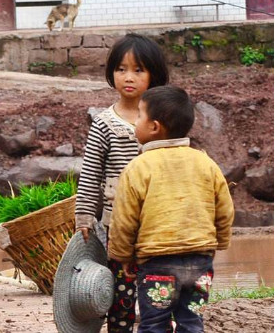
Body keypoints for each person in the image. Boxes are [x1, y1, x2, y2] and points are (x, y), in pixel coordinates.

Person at [108, 85, 234, 332]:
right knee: (191, 323)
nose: (135, 121)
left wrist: (121, 256)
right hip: (200, 261)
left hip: (157, 263)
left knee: (154, 324)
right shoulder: (205, 163)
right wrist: (219, 242)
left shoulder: (138, 168)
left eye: (140, 115)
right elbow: (225, 209)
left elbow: (124, 219)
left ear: (154, 127)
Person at [74, 33, 169, 332]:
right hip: (118, 227)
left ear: (154, 74)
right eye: (121, 69)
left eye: (138, 70)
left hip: (158, 223)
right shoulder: (104, 122)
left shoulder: (162, 121)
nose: (128, 77)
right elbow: (91, 173)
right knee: (121, 294)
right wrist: (84, 216)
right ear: (111, 72)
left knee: (159, 291)